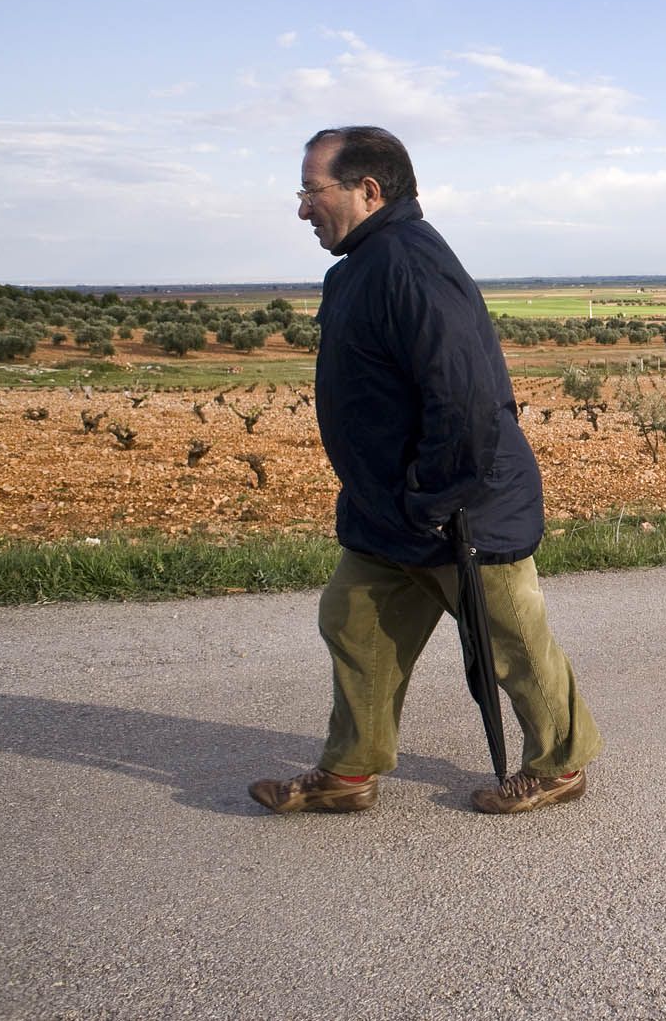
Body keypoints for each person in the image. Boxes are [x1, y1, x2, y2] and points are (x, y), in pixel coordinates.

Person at [249, 126, 602, 815]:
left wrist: (433, 497)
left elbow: (466, 396)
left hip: (460, 506)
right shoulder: (361, 266)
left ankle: (561, 763)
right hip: (392, 510)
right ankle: (349, 771)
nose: (301, 209)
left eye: (310, 191)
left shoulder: (407, 264)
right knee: (354, 620)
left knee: (511, 642)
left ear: (368, 190)